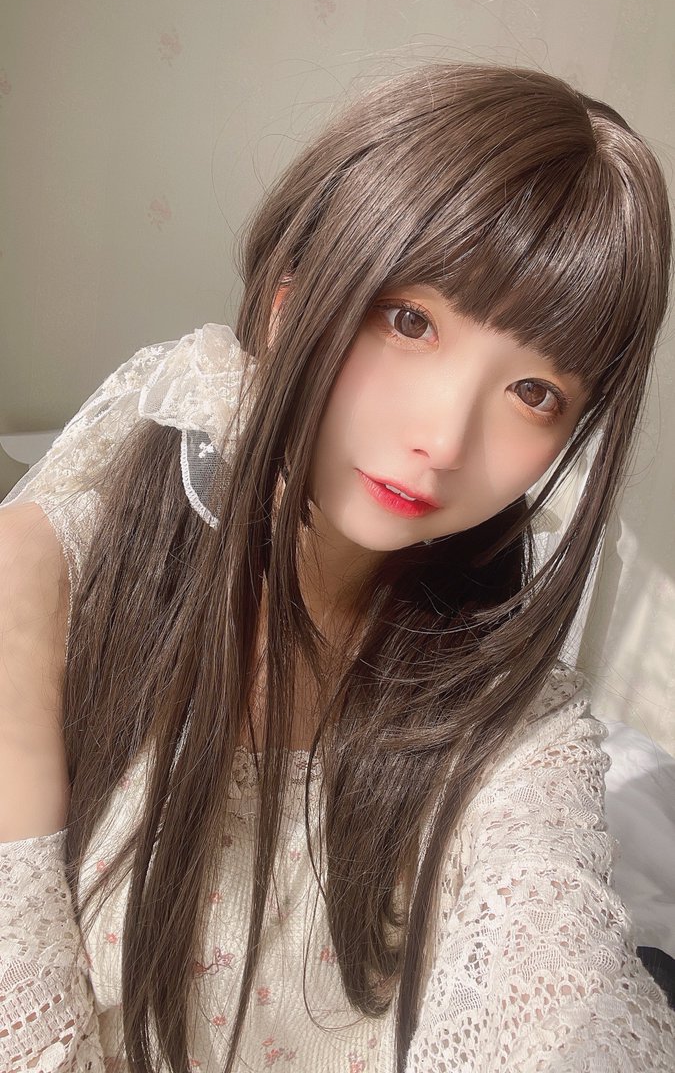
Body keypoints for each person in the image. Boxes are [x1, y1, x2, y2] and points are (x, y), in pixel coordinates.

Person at [1, 62, 674, 1073]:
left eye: (534, 392)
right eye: (411, 322)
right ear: (286, 305)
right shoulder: (71, 564)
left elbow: (556, 971)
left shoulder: (514, 729)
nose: (443, 441)